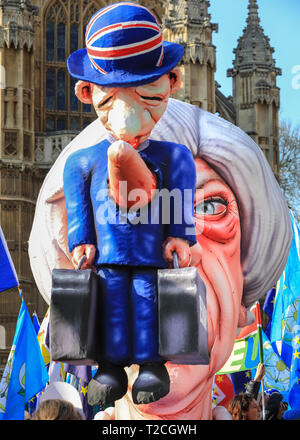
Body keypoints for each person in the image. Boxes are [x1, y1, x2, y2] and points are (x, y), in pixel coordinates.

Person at [28, 3, 292, 420]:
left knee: (149, 296)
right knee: (118, 300)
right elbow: (78, 203)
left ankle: (149, 365)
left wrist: (180, 236)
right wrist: (83, 241)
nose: (130, 115)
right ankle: (111, 366)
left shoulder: (177, 159)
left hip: (151, 259)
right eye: (111, 97)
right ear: (87, 94)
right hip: (109, 263)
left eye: (214, 206)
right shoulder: (82, 162)